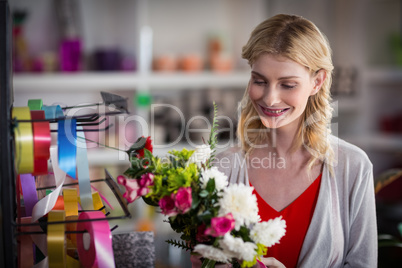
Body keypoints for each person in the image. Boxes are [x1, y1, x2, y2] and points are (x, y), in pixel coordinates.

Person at [213, 14, 377, 267]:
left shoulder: (353, 167)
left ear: (317, 81)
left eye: (287, 85)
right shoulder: (224, 168)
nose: (270, 99)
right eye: (259, 81)